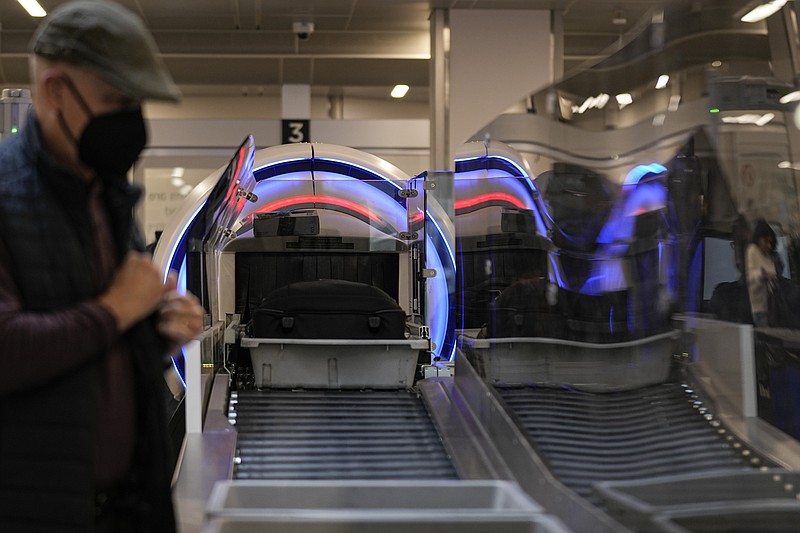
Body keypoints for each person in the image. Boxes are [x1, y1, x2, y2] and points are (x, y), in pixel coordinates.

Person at [0, 2, 204, 532]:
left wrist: (156, 329)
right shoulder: (5, 198)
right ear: (54, 91)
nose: (129, 121)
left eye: (134, 104)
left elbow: (100, 338)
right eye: (114, 101)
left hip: (122, 506)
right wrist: (117, 309)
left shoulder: (106, 195)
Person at [746, 218, 778, 328]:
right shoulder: (752, 251)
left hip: (771, 304)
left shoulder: (769, 256)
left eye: (770, 242)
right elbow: (750, 276)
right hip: (758, 305)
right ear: (758, 239)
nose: (768, 246)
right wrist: (762, 274)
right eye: (765, 241)